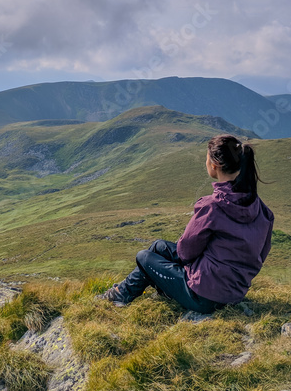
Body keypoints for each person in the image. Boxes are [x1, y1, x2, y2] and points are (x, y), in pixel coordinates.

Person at [101, 134, 274, 313]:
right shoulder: (262, 210)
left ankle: (121, 294)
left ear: (214, 165)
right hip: (236, 293)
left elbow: (185, 252)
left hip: (203, 297)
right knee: (159, 246)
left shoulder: (212, 206)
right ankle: (122, 292)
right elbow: (262, 254)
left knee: (144, 257)